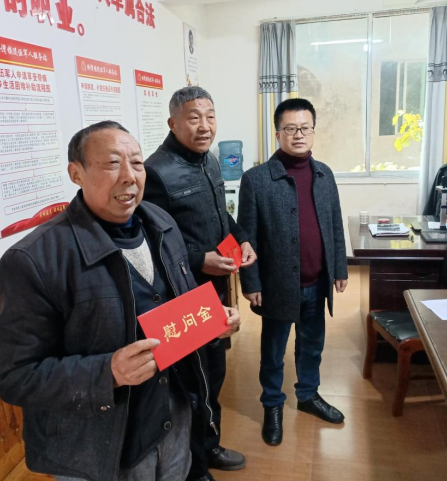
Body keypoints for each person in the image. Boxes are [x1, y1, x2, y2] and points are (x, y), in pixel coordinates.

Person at [0, 121, 241, 481]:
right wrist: (107, 372)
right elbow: (14, 376)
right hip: (100, 449)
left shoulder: (162, 224)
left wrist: (212, 321)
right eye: (112, 164)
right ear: (76, 173)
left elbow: (181, 306)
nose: (129, 176)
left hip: (174, 420)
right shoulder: (35, 259)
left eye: (137, 163)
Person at [144, 86, 256, 481]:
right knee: (192, 384)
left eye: (210, 116)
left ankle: (208, 447)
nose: (204, 126)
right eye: (194, 118)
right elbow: (152, 242)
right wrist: (199, 259)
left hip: (214, 291)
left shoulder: (209, 160)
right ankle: (194, 468)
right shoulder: (156, 172)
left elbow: (220, 216)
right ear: (173, 123)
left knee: (214, 375)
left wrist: (241, 237)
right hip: (181, 296)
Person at [238, 98, 348, 447]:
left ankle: (308, 395)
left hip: (317, 282)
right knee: (273, 351)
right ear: (278, 133)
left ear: (313, 131)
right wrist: (250, 281)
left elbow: (334, 225)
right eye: (290, 128)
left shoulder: (324, 174)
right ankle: (272, 404)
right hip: (277, 285)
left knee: (312, 345)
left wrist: (340, 267)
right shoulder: (256, 179)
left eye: (304, 128)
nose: (298, 134)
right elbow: (246, 236)